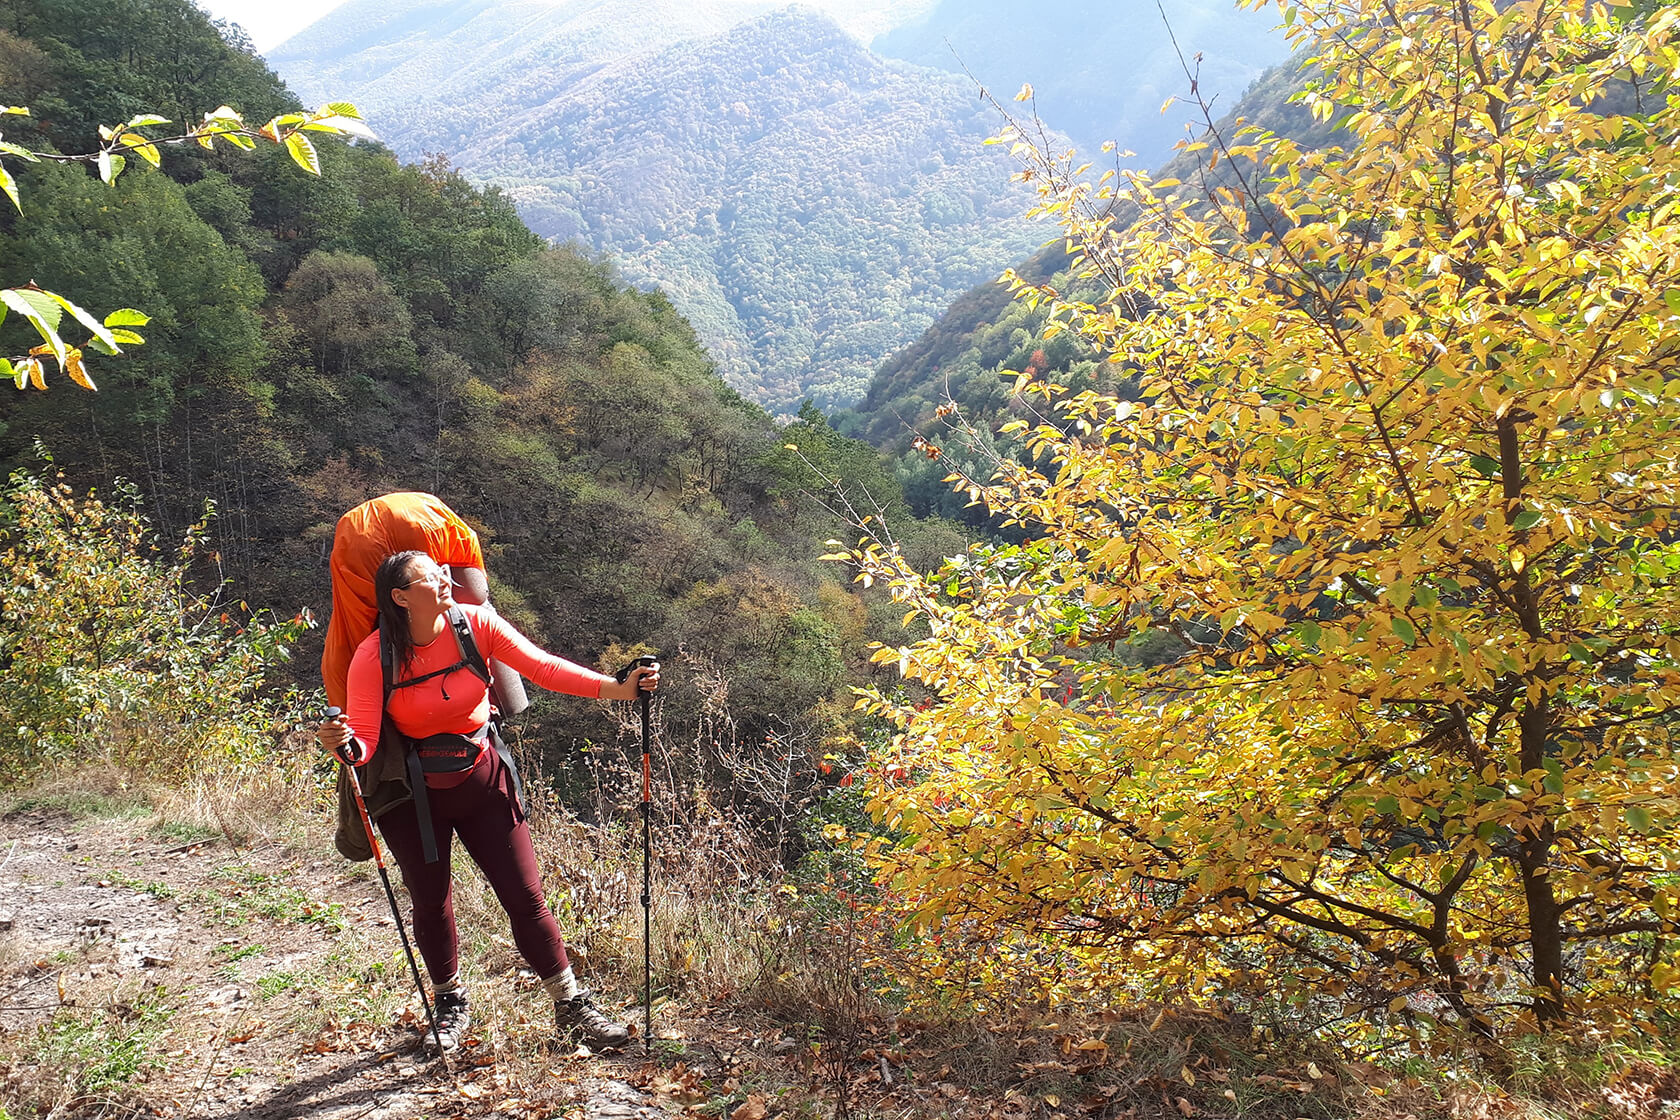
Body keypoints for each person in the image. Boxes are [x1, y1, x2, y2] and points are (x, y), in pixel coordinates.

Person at [319, 550, 659, 1052]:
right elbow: (364, 741)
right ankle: (450, 1003)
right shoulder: (375, 655)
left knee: (525, 895)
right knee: (430, 901)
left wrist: (618, 689)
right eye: (427, 578)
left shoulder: (476, 623)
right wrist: (343, 745)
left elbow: (542, 667)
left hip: (482, 777)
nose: (442, 580)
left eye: (442, 571)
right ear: (399, 598)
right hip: (413, 797)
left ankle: (570, 1006)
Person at [320, 491, 528, 715]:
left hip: (358, 539)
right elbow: (475, 595)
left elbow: (355, 648)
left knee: (374, 633)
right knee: (477, 609)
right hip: (428, 515)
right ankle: (509, 706)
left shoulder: (350, 653)